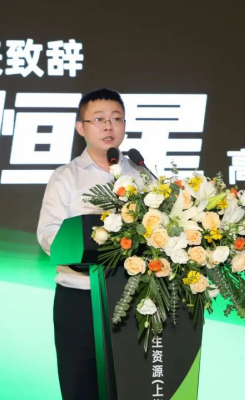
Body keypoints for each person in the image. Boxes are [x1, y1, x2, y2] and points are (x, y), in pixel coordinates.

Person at [37, 88, 145, 400]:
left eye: (116, 118)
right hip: (80, 299)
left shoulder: (142, 175)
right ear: (81, 128)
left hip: (133, 298)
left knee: (131, 388)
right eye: (98, 119)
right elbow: (48, 234)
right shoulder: (66, 177)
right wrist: (91, 240)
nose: (108, 126)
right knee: (81, 388)